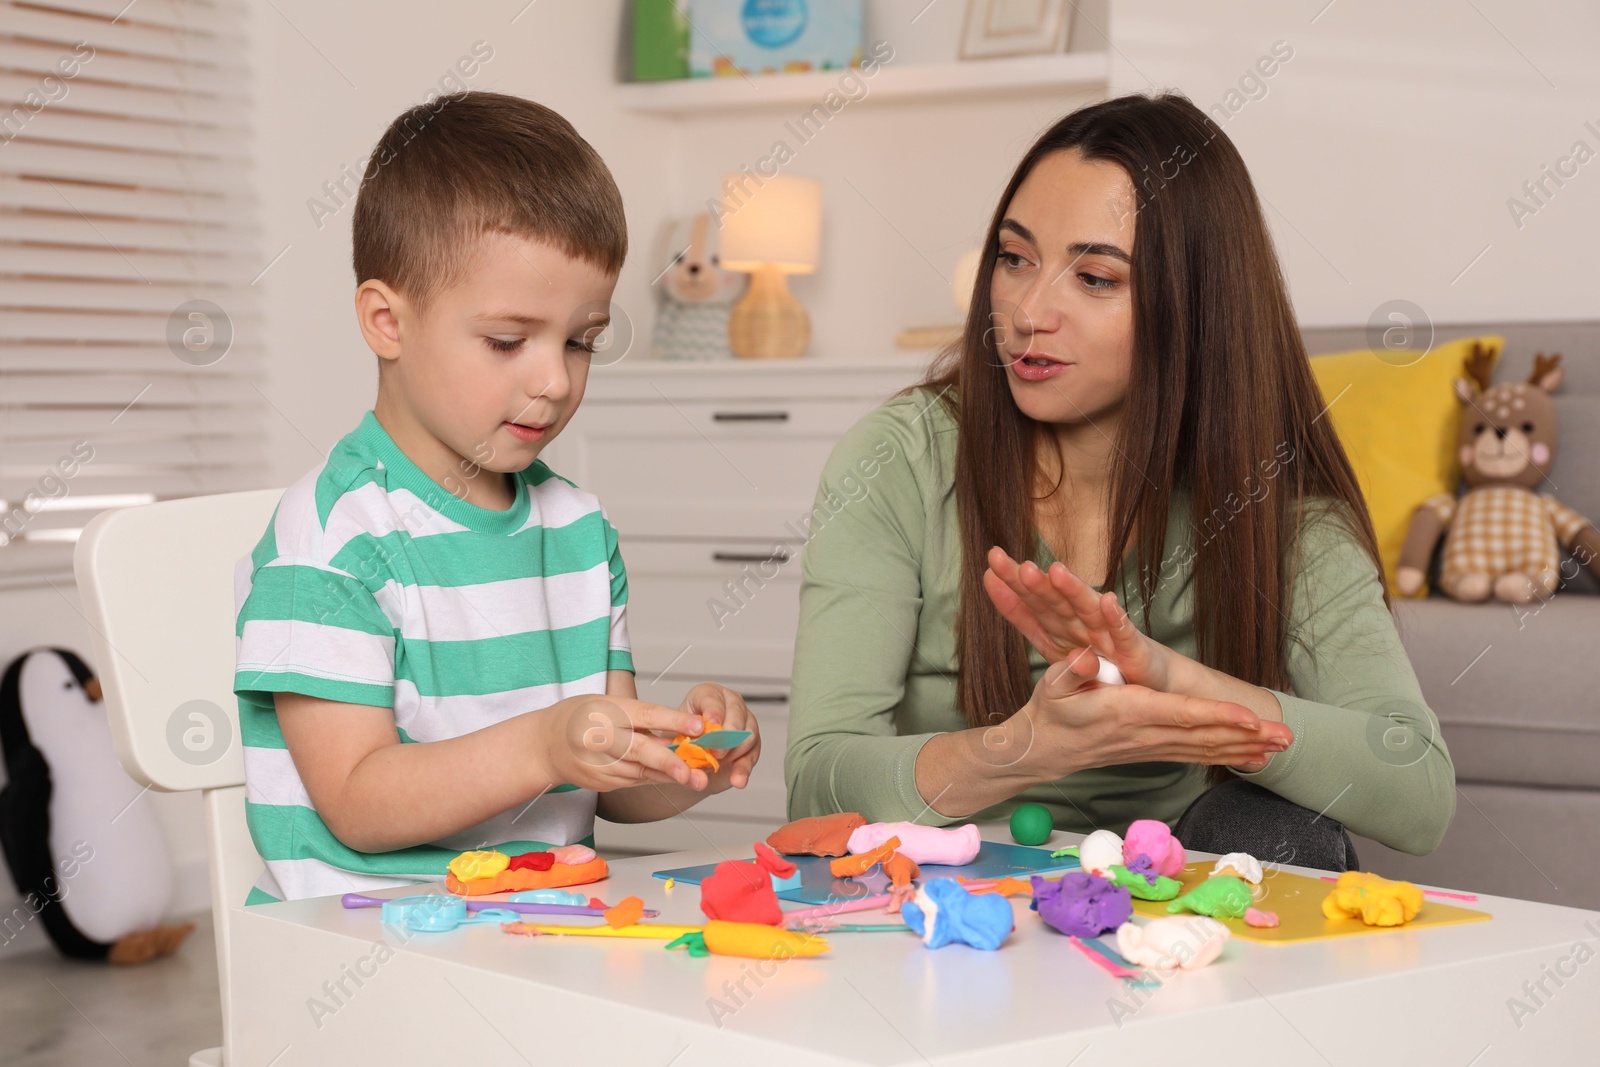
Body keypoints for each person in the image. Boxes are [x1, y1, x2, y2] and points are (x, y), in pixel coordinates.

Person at [784, 93, 1454, 871]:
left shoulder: (1278, 503)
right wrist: (1019, 749)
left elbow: (1420, 791)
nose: (1029, 311)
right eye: (1014, 257)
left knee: (1279, 833)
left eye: (1095, 278)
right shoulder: (900, 460)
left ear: (1197, 307)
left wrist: (1173, 682)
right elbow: (815, 785)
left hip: (1170, 923)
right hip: (949, 896)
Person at [232, 92, 760, 904]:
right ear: (387, 321)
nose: (554, 380)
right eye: (509, 341)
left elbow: (609, 785)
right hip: (360, 940)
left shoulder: (580, 532)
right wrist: (546, 747)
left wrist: (689, 758)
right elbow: (357, 801)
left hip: (542, 928)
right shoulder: (333, 538)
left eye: (581, 340)